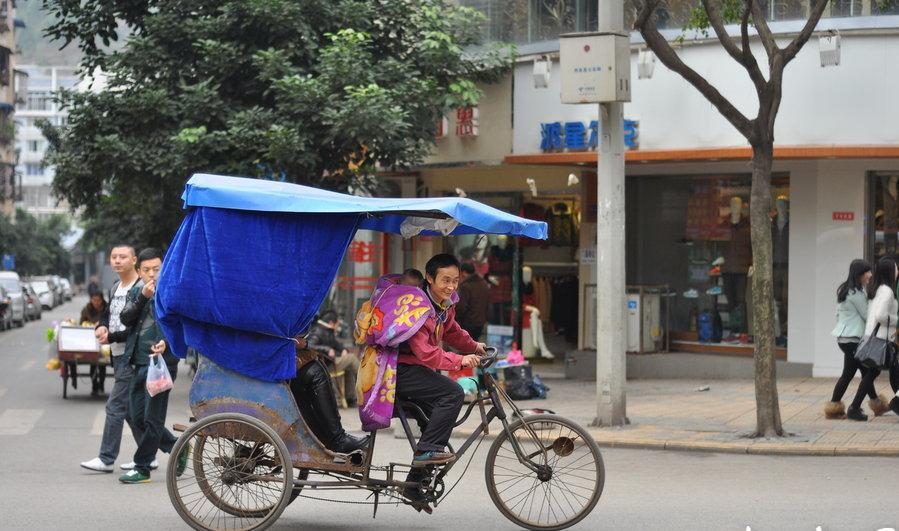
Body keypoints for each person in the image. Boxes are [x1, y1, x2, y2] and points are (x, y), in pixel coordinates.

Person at [397, 254, 485, 506]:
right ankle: (427, 451)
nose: (451, 286)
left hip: (417, 370)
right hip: (401, 371)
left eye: (455, 281)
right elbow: (426, 353)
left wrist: (474, 346)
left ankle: (413, 485)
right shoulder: (419, 307)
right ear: (429, 278)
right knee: (453, 393)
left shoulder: (444, 304)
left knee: (435, 424)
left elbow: (452, 331)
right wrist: (460, 361)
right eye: (445, 280)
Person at [118, 248, 186, 484]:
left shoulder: (173, 293)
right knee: (135, 416)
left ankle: (142, 467)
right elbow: (125, 319)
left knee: (152, 419)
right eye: (146, 270)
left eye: (157, 269)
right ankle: (176, 446)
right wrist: (143, 297)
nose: (152, 274)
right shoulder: (137, 292)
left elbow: (181, 326)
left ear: (165, 267)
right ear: (139, 271)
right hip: (138, 362)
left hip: (162, 364)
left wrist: (167, 343)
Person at [81, 245, 144, 473]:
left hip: (131, 355)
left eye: (123, 257)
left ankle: (106, 458)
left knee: (115, 405)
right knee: (127, 410)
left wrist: (111, 336)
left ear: (134, 260)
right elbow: (108, 314)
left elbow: (136, 328)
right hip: (117, 354)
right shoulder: (116, 286)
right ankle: (152, 454)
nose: (117, 260)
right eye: (114, 257)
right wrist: (102, 327)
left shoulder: (139, 288)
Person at [825, 260, 888, 419]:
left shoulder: (847, 290)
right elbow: (868, 316)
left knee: (853, 372)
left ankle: (835, 406)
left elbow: (838, 314)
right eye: (867, 272)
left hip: (845, 339)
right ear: (859, 273)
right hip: (853, 339)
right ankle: (855, 408)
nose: (870, 275)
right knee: (871, 370)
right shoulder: (856, 294)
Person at [289, 332, 369, 453]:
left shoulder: (328, 331)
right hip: (271, 360)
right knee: (316, 372)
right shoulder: (322, 330)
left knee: (316, 366)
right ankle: (337, 439)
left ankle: (326, 436)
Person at [847, 257, 899, 421]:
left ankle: (855, 407)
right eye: (895, 268)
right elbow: (881, 315)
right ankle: (854, 407)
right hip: (881, 339)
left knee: (882, 372)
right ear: (889, 271)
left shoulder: (878, 289)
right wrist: (897, 320)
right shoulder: (888, 291)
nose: (897, 270)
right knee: (877, 372)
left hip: (875, 337)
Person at [307, 310, 361, 407]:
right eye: (337, 323)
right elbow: (309, 345)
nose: (338, 326)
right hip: (327, 365)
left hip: (332, 362)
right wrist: (327, 349)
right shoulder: (318, 331)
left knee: (349, 365)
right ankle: (364, 384)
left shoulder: (327, 331)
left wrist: (344, 349)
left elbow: (337, 344)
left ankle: (350, 398)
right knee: (352, 359)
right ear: (331, 323)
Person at [81, 291, 109, 396]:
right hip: (90, 339)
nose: (96, 302)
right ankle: (94, 386)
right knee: (93, 364)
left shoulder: (107, 308)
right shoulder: (87, 309)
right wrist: (90, 325)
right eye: (93, 300)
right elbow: (81, 323)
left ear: (102, 300)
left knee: (102, 365)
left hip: (104, 339)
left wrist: (101, 325)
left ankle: (101, 384)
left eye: (98, 300)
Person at [455, 261, 490, 341]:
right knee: (475, 346)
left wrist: (455, 319)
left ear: (463, 272)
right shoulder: (484, 284)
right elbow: (488, 304)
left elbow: (462, 307)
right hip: (480, 323)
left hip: (468, 323)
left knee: (466, 348)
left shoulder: (466, 286)